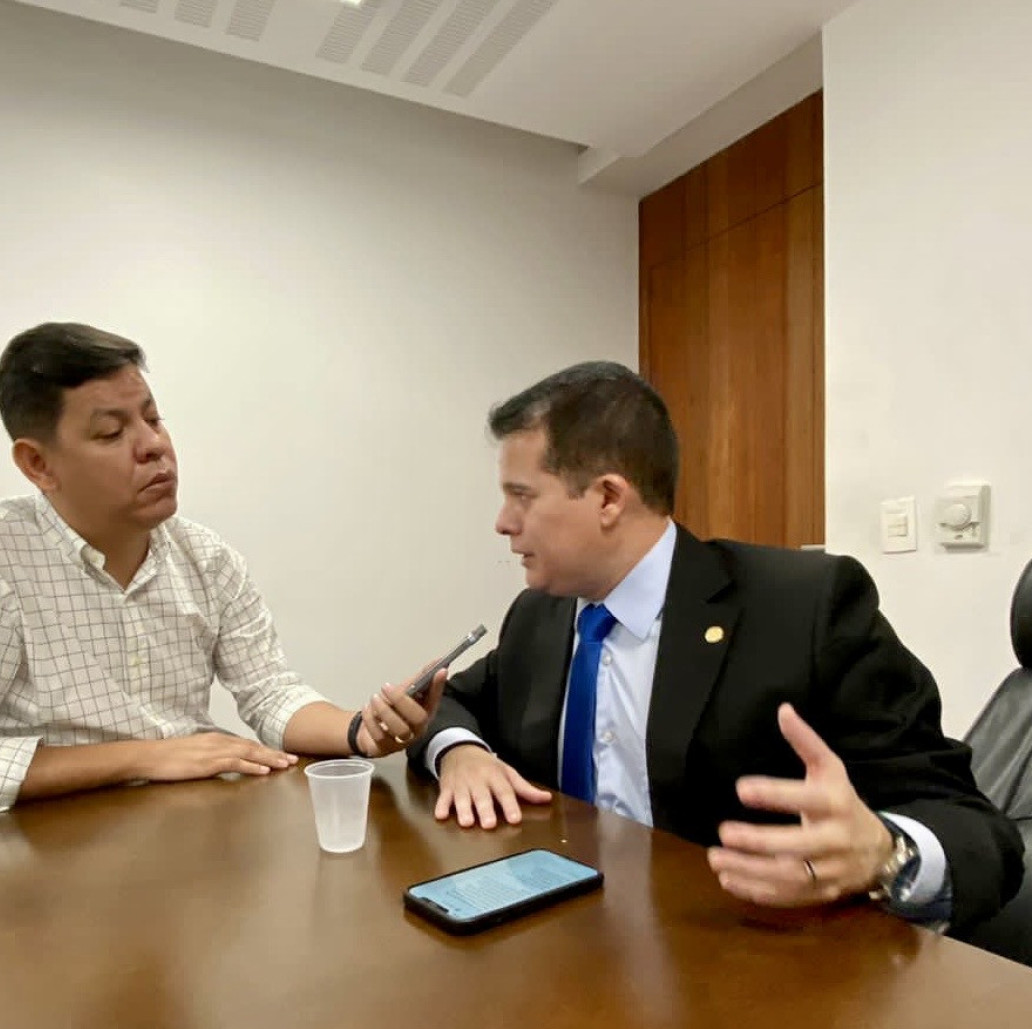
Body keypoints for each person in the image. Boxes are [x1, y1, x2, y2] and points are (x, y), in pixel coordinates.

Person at [408, 362, 1023, 931]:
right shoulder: (541, 616)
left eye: (521, 496)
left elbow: (975, 829)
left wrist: (885, 853)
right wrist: (460, 752)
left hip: (743, 962)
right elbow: (452, 701)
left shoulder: (805, 609)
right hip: (566, 940)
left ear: (608, 498)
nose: (502, 522)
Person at [0, 323, 442, 824]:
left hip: (185, 836)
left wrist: (359, 731)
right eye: (111, 433)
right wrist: (143, 756)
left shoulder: (204, 557)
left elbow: (268, 692)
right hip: (35, 858)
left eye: (154, 418)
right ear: (38, 464)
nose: (154, 446)